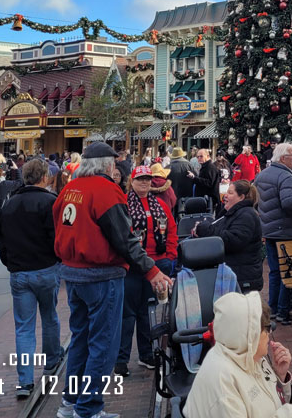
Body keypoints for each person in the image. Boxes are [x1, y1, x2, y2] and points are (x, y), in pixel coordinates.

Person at [53, 142, 172, 418]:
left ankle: (70, 402)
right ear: (108, 164)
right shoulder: (106, 191)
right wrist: (151, 270)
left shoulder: (70, 189)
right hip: (101, 274)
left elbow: (57, 227)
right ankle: (88, 407)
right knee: (102, 343)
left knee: (81, 338)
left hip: (73, 273)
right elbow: (125, 239)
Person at [183, 291, 292, 418]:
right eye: (266, 328)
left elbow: (275, 405)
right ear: (249, 335)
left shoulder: (247, 355)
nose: (269, 333)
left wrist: (280, 377)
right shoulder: (222, 382)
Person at [0, 158, 61, 399]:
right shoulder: (50, 203)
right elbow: (58, 238)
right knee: (50, 316)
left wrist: (10, 261)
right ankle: (52, 359)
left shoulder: (10, 204)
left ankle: (25, 380)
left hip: (20, 271)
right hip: (45, 268)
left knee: (24, 327)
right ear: (45, 177)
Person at [115, 165, 178, 378]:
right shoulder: (123, 204)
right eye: (140, 179)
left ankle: (146, 354)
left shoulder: (160, 204)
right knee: (127, 314)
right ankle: (121, 359)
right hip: (132, 266)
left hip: (155, 264)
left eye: (147, 179)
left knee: (147, 312)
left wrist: (169, 255)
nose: (144, 183)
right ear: (131, 181)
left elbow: (172, 229)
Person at [255, 142, 292, 326]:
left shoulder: (262, 174)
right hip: (286, 231)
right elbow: (289, 202)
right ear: (282, 158)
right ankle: (283, 311)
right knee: (288, 271)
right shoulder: (286, 175)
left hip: (269, 231)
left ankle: (272, 309)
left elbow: (255, 200)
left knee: (274, 272)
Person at [194, 180, 264, 292]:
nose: (225, 195)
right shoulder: (234, 213)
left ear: (241, 197)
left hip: (242, 280)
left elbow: (233, 240)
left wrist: (205, 229)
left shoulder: (246, 215)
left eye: (230, 193)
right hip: (234, 276)